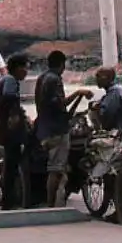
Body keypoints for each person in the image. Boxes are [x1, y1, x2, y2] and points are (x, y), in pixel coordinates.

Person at [34, 50, 93, 208]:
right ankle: (51, 204)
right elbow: (61, 105)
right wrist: (79, 93)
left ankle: (53, 201)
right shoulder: (55, 80)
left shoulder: (42, 78)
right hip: (57, 131)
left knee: (56, 168)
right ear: (62, 64)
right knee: (56, 169)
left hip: (44, 130)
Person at [0, 53, 31, 210]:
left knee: (11, 164)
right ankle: (8, 200)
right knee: (12, 165)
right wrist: (15, 117)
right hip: (10, 131)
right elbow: (9, 98)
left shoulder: (7, 80)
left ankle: (9, 197)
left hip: (6, 129)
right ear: (17, 68)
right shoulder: (10, 81)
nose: (26, 72)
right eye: (24, 68)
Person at [93, 66, 122, 131]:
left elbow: (107, 119)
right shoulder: (116, 90)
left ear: (109, 78)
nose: (96, 79)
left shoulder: (115, 92)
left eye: (98, 76)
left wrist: (98, 110)